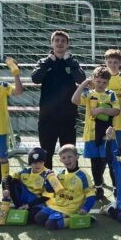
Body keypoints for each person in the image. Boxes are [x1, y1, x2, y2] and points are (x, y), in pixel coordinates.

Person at [32, 30, 86, 169]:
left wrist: (69, 62)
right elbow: (35, 79)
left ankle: (73, 184)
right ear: (52, 43)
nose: (60, 43)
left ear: (67, 44)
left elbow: (81, 79)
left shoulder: (72, 62)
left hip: (68, 116)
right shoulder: (44, 62)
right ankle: (48, 183)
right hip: (47, 117)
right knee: (46, 152)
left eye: (63, 41)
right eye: (57, 40)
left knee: (70, 153)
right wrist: (49, 61)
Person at [71, 66, 120, 201]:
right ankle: (98, 188)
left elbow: (116, 111)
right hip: (91, 135)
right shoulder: (89, 94)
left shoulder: (110, 94)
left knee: (111, 162)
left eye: (104, 82)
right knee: (96, 163)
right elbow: (74, 100)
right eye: (98, 81)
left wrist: (101, 110)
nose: (101, 85)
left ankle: (116, 188)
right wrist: (83, 84)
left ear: (108, 83)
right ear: (93, 80)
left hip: (107, 136)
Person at [34, 144, 95, 230]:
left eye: (70, 157)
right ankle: (58, 216)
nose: (67, 160)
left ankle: (75, 217)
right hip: (57, 205)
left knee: (50, 225)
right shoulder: (61, 173)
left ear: (77, 157)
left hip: (71, 208)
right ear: (60, 160)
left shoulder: (83, 175)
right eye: (64, 158)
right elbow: (51, 190)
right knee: (38, 218)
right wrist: (47, 181)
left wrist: (86, 208)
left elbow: (91, 194)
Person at [4, 147, 58, 224]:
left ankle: (27, 211)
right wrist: (6, 189)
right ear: (30, 163)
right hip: (24, 202)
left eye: (40, 162)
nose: (38, 165)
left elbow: (47, 196)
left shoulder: (49, 174)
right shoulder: (25, 172)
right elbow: (7, 178)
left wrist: (29, 205)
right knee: (13, 181)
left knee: (33, 216)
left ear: (44, 162)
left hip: (39, 204)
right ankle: (19, 207)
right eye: (35, 163)